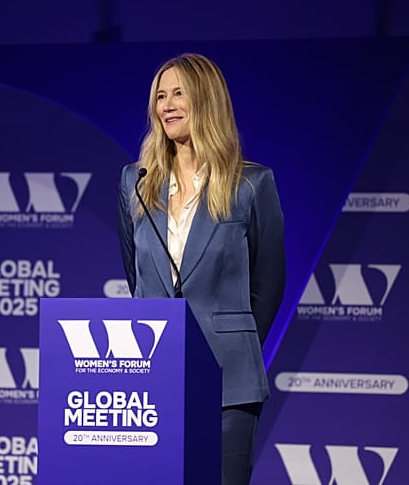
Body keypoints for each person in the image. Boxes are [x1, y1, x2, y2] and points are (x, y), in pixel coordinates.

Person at [117, 53, 285, 485]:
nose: (167, 105)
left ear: (206, 100)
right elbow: (136, 275)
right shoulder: (136, 181)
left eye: (179, 94)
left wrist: (230, 341)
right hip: (154, 377)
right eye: (160, 96)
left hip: (228, 381)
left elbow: (269, 285)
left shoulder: (250, 184)